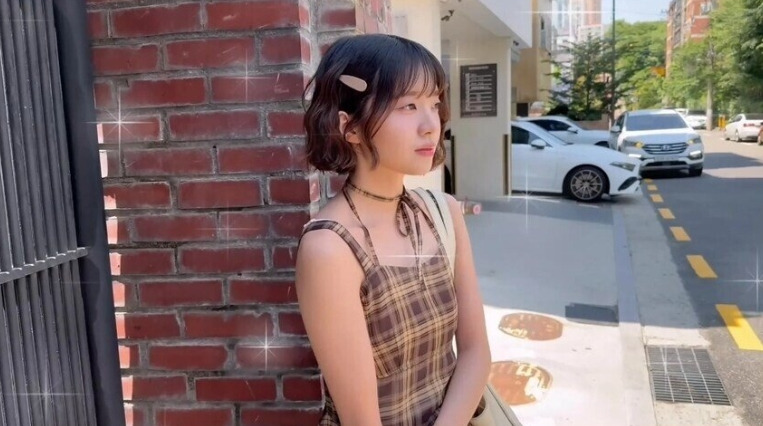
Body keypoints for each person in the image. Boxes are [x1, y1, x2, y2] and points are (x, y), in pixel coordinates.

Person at [296, 34, 491, 426]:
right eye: (408, 106)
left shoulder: (444, 212)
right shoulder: (329, 249)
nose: (431, 125)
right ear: (350, 128)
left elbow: (476, 352)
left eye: (434, 103)